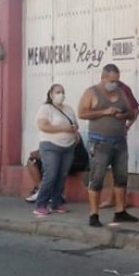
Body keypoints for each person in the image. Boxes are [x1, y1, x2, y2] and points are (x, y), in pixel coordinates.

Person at [78, 64, 139, 228]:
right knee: (97, 178)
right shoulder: (92, 92)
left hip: (119, 140)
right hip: (99, 141)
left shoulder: (121, 92)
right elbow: (82, 113)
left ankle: (120, 211)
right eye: (112, 80)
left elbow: (132, 112)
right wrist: (104, 112)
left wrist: (123, 115)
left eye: (117, 80)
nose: (114, 83)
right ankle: (94, 214)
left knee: (121, 177)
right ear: (104, 78)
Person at [34, 84, 79, 216]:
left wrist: (74, 133)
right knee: (51, 174)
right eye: (58, 92)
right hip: (51, 146)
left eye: (63, 92)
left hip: (68, 146)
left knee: (62, 175)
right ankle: (41, 204)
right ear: (51, 94)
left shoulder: (68, 109)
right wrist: (63, 129)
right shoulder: (45, 109)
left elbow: (75, 124)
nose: (61, 94)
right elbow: (43, 126)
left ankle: (57, 202)